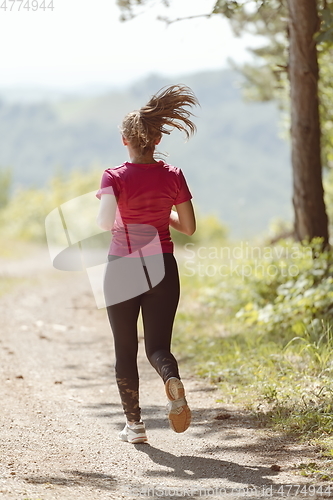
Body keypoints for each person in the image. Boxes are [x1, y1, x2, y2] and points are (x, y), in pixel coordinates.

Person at [96, 84, 198, 444]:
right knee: (158, 348)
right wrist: (163, 215)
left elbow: (104, 223)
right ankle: (171, 378)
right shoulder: (173, 174)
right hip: (163, 266)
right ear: (156, 140)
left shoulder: (114, 176)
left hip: (122, 264)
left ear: (126, 140)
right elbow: (188, 226)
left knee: (125, 350)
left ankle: (135, 426)